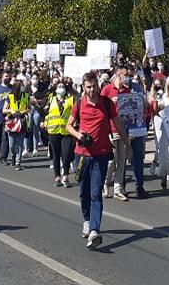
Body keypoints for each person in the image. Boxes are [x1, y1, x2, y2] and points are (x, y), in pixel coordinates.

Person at [66, 71, 130, 251]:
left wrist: (127, 145)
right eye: (88, 87)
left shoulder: (106, 104)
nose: (92, 90)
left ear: (98, 85)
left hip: (101, 155)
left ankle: (94, 230)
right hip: (82, 155)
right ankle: (86, 220)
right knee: (83, 192)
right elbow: (68, 125)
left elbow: (117, 124)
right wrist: (79, 134)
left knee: (96, 193)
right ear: (84, 87)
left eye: (94, 86)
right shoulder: (79, 103)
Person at [101, 65, 147, 201]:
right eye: (125, 74)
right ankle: (104, 183)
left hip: (124, 130)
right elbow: (100, 109)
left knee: (121, 161)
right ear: (118, 74)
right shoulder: (107, 89)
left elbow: (134, 109)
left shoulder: (128, 91)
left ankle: (118, 189)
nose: (128, 77)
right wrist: (110, 103)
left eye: (129, 75)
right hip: (111, 130)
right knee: (111, 161)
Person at [46, 80, 76, 187]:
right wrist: (44, 122)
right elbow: (45, 112)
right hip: (53, 130)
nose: (61, 88)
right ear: (55, 89)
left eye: (63, 86)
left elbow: (75, 111)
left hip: (66, 130)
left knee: (66, 153)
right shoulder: (50, 99)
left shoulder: (71, 99)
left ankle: (66, 175)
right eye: (59, 86)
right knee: (56, 154)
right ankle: (57, 176)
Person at [3, 76, 30, 171]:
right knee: (12, 144)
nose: (23, 87)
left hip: (22, 122)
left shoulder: (26, 96)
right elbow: (4, 110)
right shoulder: (9, 96)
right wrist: (11, 110)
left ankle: (18, 162)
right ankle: (13, 155)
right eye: (21, 85)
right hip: (12, 122)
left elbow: (29, 108)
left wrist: (23, 111)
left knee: (20, 144)